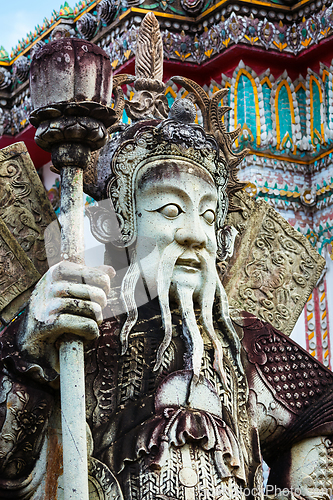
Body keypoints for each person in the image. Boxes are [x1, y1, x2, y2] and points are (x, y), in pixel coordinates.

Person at [0, 13, 333, 500]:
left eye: (209, 214)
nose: (196, 234)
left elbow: (324, 408)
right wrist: (29, 341)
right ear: (126, 223)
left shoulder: (248, 349)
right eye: (172, 210)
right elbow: (9, 469)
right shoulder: (81, 339)